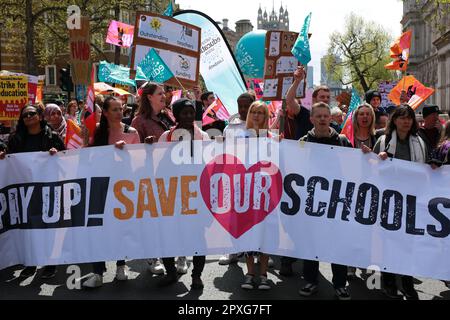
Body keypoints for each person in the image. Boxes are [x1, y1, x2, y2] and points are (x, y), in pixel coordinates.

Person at [372, 104, 432, 300]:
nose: (406, 121)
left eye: (409, 118)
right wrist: (377, 160)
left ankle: (407, 282)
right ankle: (389, 282)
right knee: (389, 242)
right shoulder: (383, 141)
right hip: (389, 201)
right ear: (394, 120)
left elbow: (425, 166)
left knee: (408, 243)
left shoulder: (420, 141)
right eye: (402, 118)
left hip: (413, 200)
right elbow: (371, 168)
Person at [0, 105, 66, 279]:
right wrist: (3, 156)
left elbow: (65, 157)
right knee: (28, 227)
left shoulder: (51, 136)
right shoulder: (16, 139)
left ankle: (50, 263)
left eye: (31, 113)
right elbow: (10, 160)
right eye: (25, 115)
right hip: (25, 190)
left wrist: (56, 153)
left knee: (48, 226)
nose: (28, 117)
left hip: (47, 188)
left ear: (39, 116)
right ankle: (30, 263)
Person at [82, 97, 141, 288]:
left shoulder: (132, 132)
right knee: (98, 228)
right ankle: (98, 272)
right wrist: (84, 142)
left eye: (120, 109)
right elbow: (87, 159)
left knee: (120, 228)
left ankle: (121, 265)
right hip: (100, 186)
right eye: (114, 109)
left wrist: (125, 153)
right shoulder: (97, 131)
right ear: (105, 112)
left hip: (123, 188)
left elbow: (139, 163)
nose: (119, 112)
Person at [298, 102, 352, 300]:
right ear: (311, 119)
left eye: (325, 116)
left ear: (330, 118)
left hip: (337, 204)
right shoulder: (303, 142)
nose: (322, 119)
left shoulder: (344, 141)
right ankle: (311, 281)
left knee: (338, 246)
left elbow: (355, 169)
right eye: (318, 116)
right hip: (311, 204)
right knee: (311, 245)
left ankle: (340, 284)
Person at [156, 99, 210, 290]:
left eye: (191, 113)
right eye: (184, 113)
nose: (188, 116)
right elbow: (157, 164)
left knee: (198, 236)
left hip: (196, 196)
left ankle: (197, 275)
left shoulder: (203, 136)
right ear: (176, 115)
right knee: (168, 235)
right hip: (173, 194)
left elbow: (209, 167)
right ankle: (171, 272)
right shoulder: (166, 136)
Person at [236, 101, 276, 291]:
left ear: (266, 117)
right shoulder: (239, 137)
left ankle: (264, 274)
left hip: (268, 192)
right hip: (246, 190)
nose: (257, 116)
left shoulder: (273, 138)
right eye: (254, 112)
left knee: (266, 232)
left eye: (261, 113)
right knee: (248, 231)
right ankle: (250, 273)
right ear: (249, 115)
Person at [217, 92, 255, 266]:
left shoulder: (260, 125)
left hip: (254, 177)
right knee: (233, 214)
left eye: (246, 106)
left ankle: (256, 252)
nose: (243, 109)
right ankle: (232, 250)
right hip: (234, 176)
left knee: (253, 214)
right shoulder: (230, 127)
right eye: (240, 105)